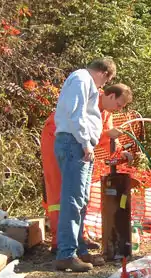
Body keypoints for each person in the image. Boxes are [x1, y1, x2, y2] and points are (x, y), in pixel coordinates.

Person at [41, 83, 133, 258]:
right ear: (111, 96)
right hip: (56, 138)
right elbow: (79, 126)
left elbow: (107, 137)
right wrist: (106, 135)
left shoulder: (106, 112)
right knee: (59, 191)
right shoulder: (87, 98)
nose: (118, 109)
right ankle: (59, 241)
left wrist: (121, 152)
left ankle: (77, 237)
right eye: (119, 105)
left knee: (81, 191)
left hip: (79, 145)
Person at [53, 58, 116, 272]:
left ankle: (78, 248)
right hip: (74, 143)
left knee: (81, 198)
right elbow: (76, 113)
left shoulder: (83, 81)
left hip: (78, 143)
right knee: (73, 199)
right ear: (104, 73)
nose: (102, 87)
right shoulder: (81, 79)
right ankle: (66, 253)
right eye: (106, 81)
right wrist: (85, 142)